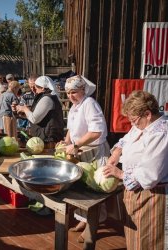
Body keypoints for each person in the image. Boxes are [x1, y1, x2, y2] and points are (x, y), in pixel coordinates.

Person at [103, 90, 168, 250]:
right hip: (136, 193)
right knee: (135, 242)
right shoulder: (144, 124)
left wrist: (119, 173)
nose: (132, 125)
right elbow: (127, 138)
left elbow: (150, 175)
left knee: (148, 243)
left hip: (152, 196)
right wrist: (117, 152)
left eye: (134, 120)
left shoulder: (161, 133)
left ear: (147, 114)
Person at [63, 75, 110, 243]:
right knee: (81, 189)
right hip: (82, 153)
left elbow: (96, 132)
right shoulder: (75, 107)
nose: (70, 96)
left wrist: (76, 145)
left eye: (74, 92)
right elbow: (70, 129)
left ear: (83, 90)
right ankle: (83, 221)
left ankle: (92, 227)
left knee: (93, 193)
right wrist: (66, 142)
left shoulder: (90, 104)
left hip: (95, 153)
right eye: (68, 92)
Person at [16, 75, 64, 146]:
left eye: (36, 87)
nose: (35, 90)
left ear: (42, 88)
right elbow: (42, 117)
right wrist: (25, 114)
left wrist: (24, 109)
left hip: (48, 139)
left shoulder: (47, 99)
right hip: (46, 137)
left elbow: (34, 119)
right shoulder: (48, 97)